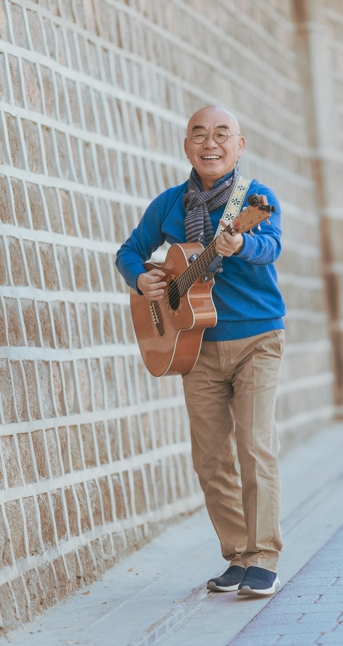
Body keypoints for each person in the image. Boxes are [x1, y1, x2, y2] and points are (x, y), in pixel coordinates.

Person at [116, 106, 286, 597]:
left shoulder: (254, 199)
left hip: (258, 339)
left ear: (239, 145)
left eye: (222, 135)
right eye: (199, 134)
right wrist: (141, 277)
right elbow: (129, 251)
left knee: (255, 446)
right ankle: (238, 554)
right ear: (187, 144)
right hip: (196, 347)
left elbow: (271, 244)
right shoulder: (170, 205)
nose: (210, 143)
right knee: (211, 458)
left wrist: (241, 246)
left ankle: (264, 556)